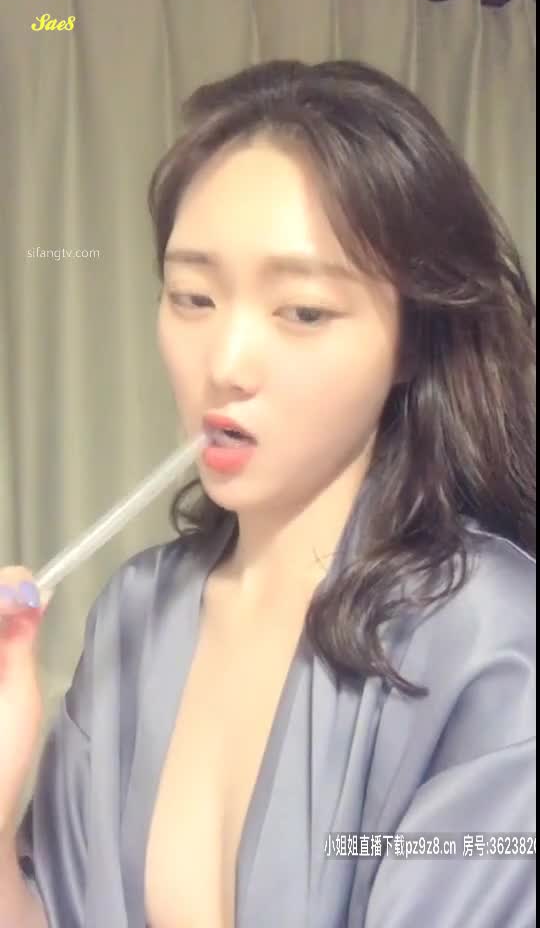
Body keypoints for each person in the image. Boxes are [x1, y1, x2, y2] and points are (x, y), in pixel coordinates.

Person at [0, 59, 535, 928]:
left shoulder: (495, 643)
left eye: (303, 311)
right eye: (192, 297)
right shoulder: (136, 612)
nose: (225, 363)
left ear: (412, 340)